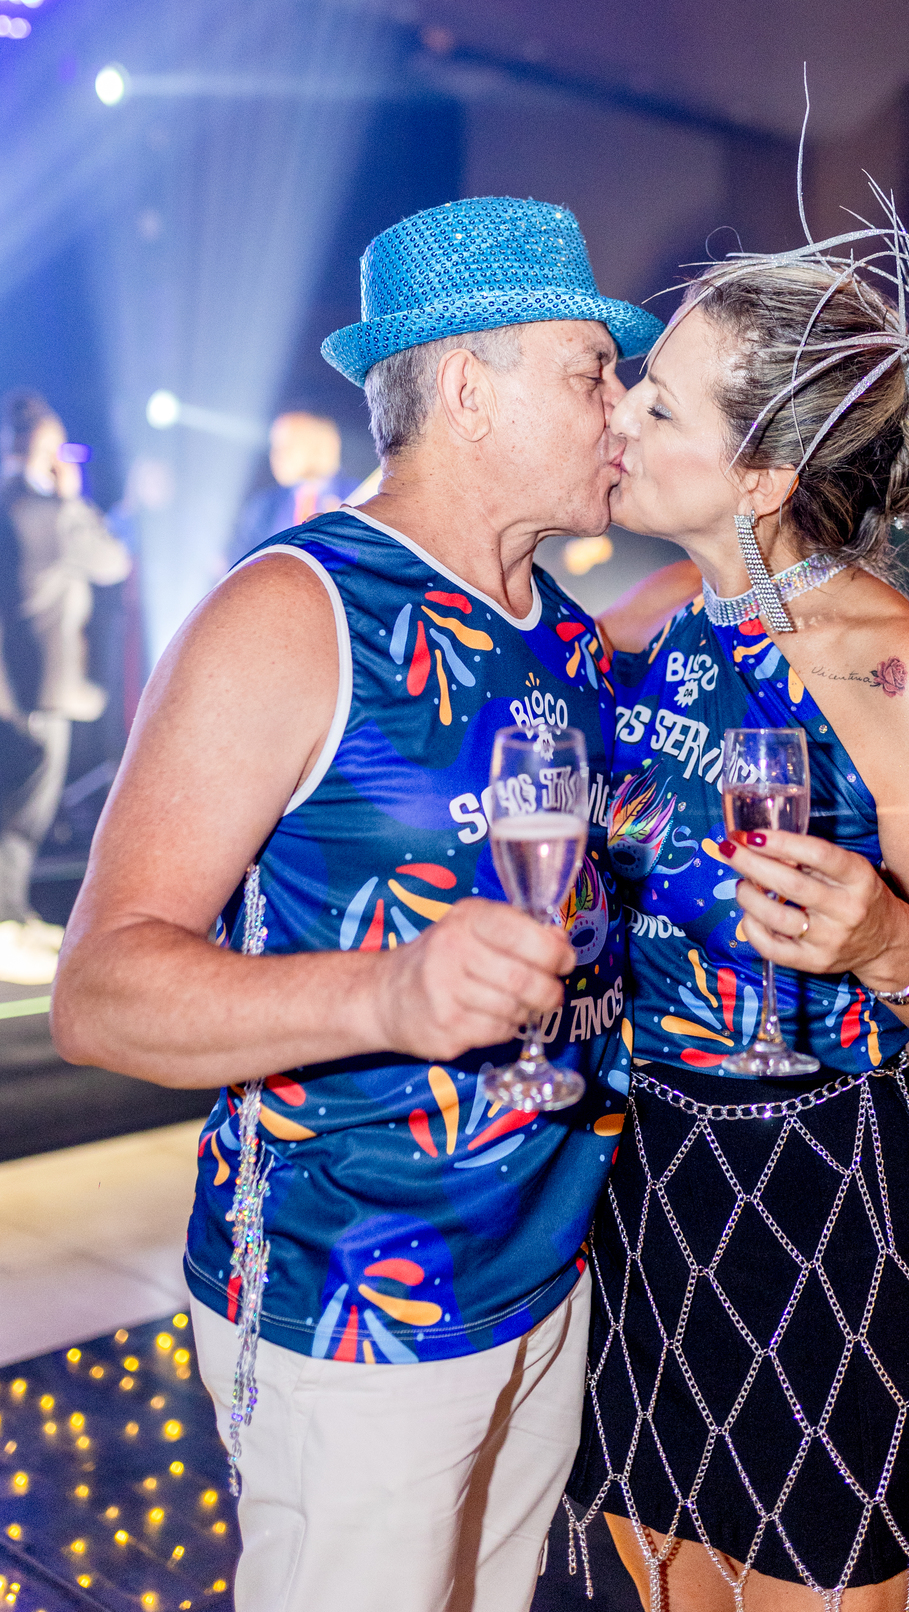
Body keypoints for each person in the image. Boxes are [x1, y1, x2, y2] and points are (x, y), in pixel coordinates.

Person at [52, 197, 663, 1612]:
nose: (621, 409)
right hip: (357, 1304)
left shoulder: (567, 637)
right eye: (592, 372)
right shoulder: (295, 611)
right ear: (469, 386)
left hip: (547, 1277)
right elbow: (101, 993)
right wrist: (388, 991)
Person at [567, 186, 909, 1611]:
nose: (619, 416)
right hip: (636, 1191)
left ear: (764, 475)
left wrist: (891, 941)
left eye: (659, 405)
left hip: (821, 1203)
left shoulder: (898, 673)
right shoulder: (649, 619)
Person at [0, 390, 131, 984]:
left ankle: (15, 912)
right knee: (24, 807)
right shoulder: (49, 510)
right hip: (35, 683)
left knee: (18, 800)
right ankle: (6, 922)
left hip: (18, 680)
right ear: (48, 450)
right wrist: (74, 496)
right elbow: (113, 561)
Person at [231, 410, 359, 558]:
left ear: (321, 446)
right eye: (275, 447)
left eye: (289, 445)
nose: (277, 455)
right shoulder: (263, 507)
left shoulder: (360, 498)